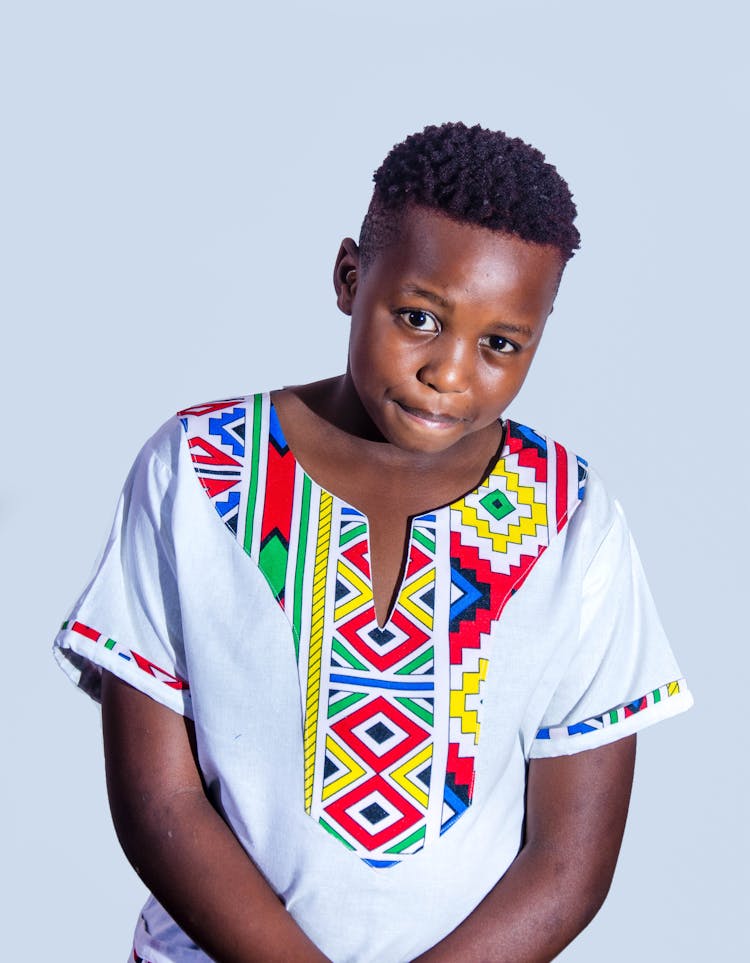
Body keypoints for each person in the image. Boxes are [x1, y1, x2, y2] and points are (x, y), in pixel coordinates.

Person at [54, 122, 692, 963]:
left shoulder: (571, 517)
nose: (451, 371)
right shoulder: (196, 473)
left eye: (501, 343)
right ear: (350, 276)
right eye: (420, 317)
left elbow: (568, 861)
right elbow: (159, 799)